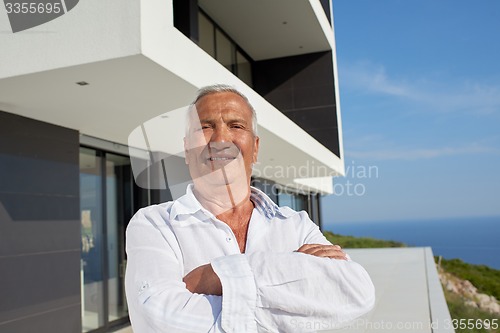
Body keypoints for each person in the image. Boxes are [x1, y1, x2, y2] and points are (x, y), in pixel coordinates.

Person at [125, 84, 375, 333]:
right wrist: (292, 272)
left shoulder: (296, 224)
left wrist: (217, 275)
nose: (221, 139)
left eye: (236, 126)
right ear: (188, 150)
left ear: (255, 148)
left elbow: (355, 291)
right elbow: (161, 321)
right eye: (205, 127)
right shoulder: (153, 224)